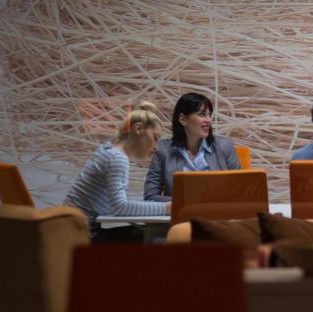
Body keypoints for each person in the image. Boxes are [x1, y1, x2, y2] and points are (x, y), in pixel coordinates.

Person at [64, 101, 171, 238]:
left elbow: (117, 204)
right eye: (155, 138)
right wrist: (167, 208)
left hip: (71, 229)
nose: (157, 147)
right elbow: (120, 207)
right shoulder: (117, 158)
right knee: (154, 237)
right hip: (81, 235)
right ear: (138, 129)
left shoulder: (108, 149)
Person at [144, 92, 243, 201]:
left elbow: (241, 190)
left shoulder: (224, 146)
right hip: (181, 216)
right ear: (183, 119)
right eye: (201, 114)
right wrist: (185, 202)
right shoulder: (163, 149)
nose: (209, 120)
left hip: (218, 215)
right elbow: (150, 196)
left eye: (209, 114)